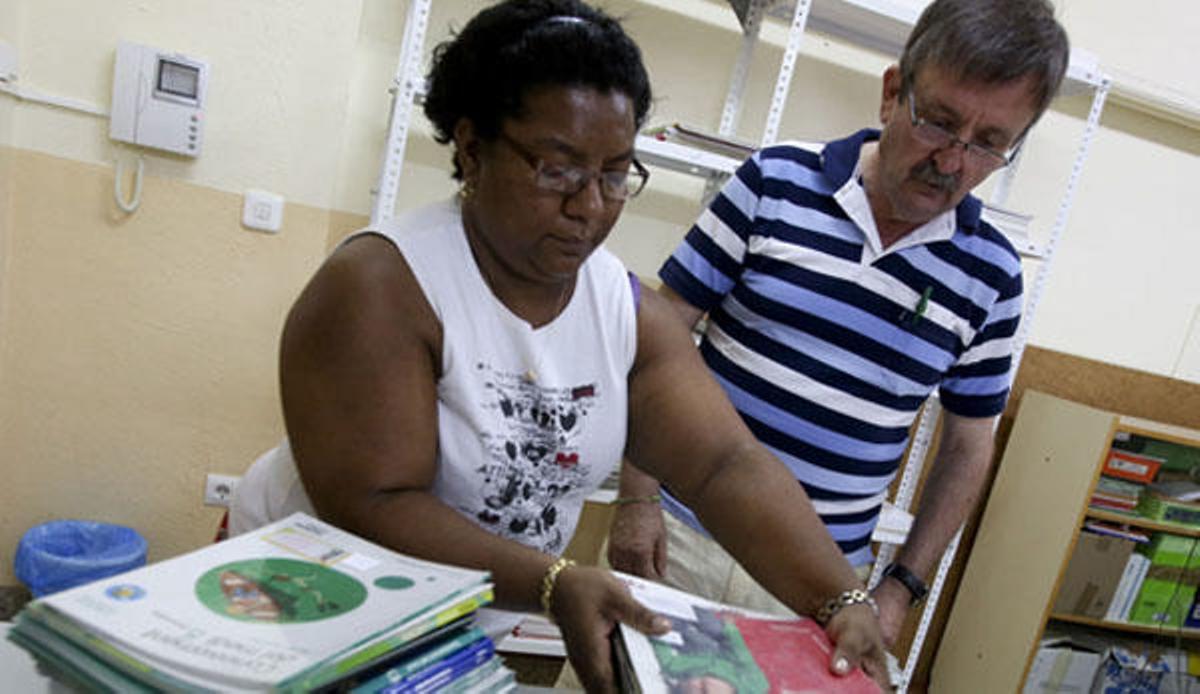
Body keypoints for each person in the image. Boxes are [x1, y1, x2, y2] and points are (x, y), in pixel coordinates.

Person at [228, 0, 888, 689]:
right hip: (301, 612)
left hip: (445, 635)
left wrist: (839, 596)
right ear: (472, 148)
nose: (589, 206)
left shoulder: (626, 313)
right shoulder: (382, 285)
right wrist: (551, 581)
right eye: (556, 169)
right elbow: (375, 502)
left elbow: (725, 465)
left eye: (614, 174)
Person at [608, 0, 1070, 649]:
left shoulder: (991, 276)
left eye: (989, 143)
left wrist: (900, 588)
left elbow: (968, 450)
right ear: (892, 93)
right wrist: (636, 498)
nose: (952, 161)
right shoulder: (774, 183)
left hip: (818, 583)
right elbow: (657, 342)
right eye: (939, 122)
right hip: (681, 538)